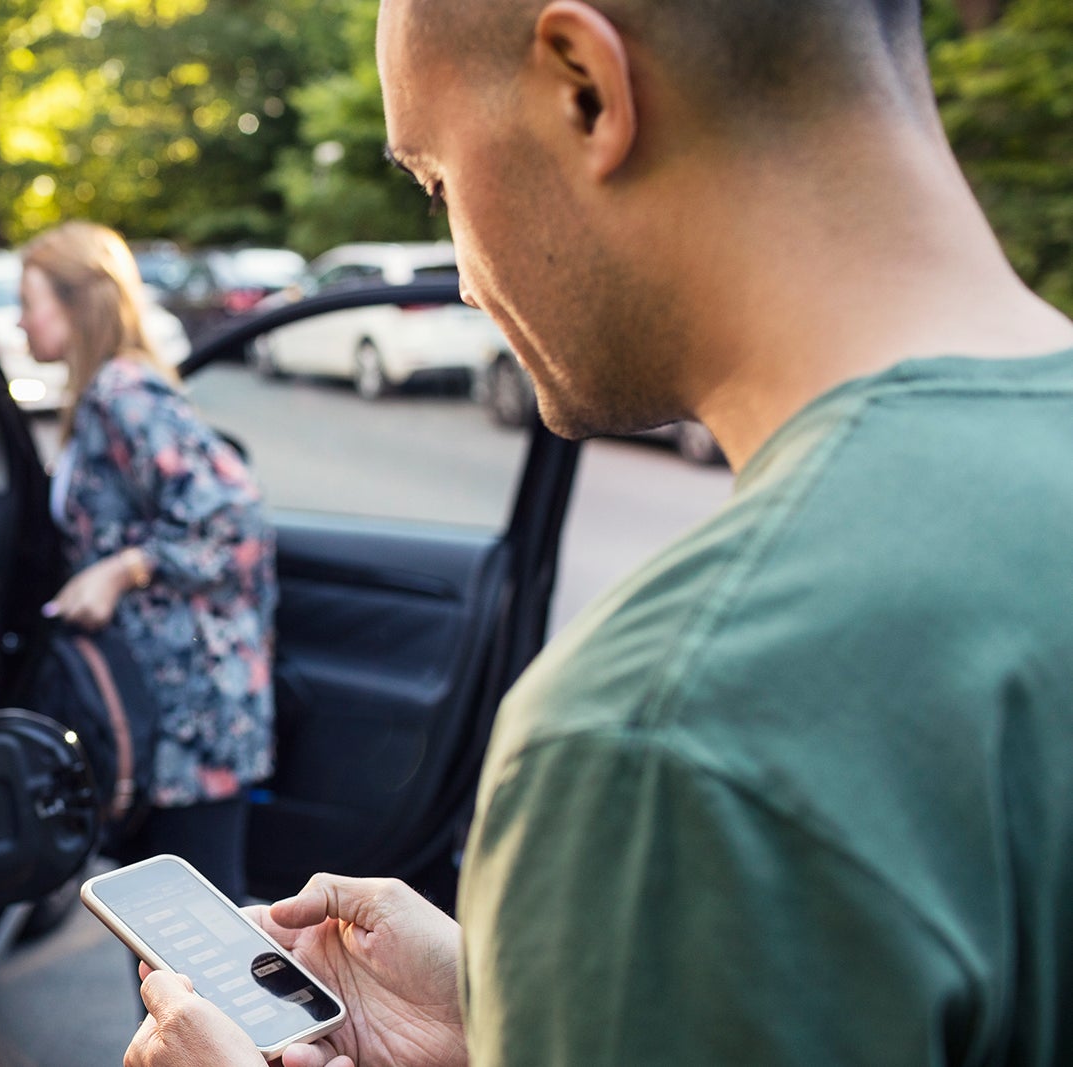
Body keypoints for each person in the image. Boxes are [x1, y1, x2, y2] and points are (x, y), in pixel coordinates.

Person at [126, 0, 1073, 1065]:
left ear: (585, 88)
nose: (465, 276)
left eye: (436, 177)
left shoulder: (665, 727)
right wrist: (512, 1015)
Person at [21, 221, 277, 908]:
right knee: (165, 933)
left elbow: (236, 521)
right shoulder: (102, 395)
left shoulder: (123, 393)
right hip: (157, 714)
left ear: (77, 305)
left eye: (30, 301)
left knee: (197, 942)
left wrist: (122, 569)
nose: (20, 320)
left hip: (189, 717)